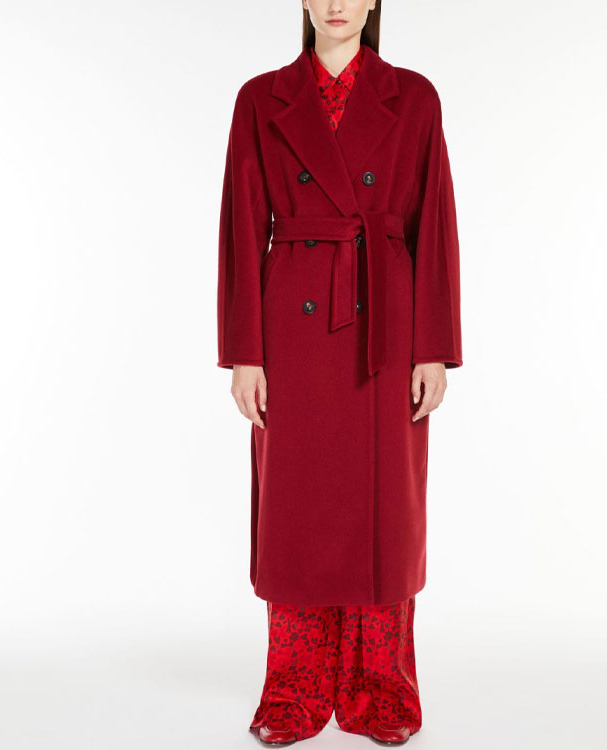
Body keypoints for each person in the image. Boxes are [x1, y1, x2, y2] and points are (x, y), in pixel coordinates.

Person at [216, 1, 463, 745]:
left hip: (387, 325)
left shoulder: (413, 96)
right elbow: (239, 227)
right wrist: (245, 353)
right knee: (295, 508)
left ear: (374, 1)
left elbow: (435, 224)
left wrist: (433, 347)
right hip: (291, 330)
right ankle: (295, 686)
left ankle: (379, 686)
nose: (335, 4)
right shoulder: (260, 98)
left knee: (388, 510)